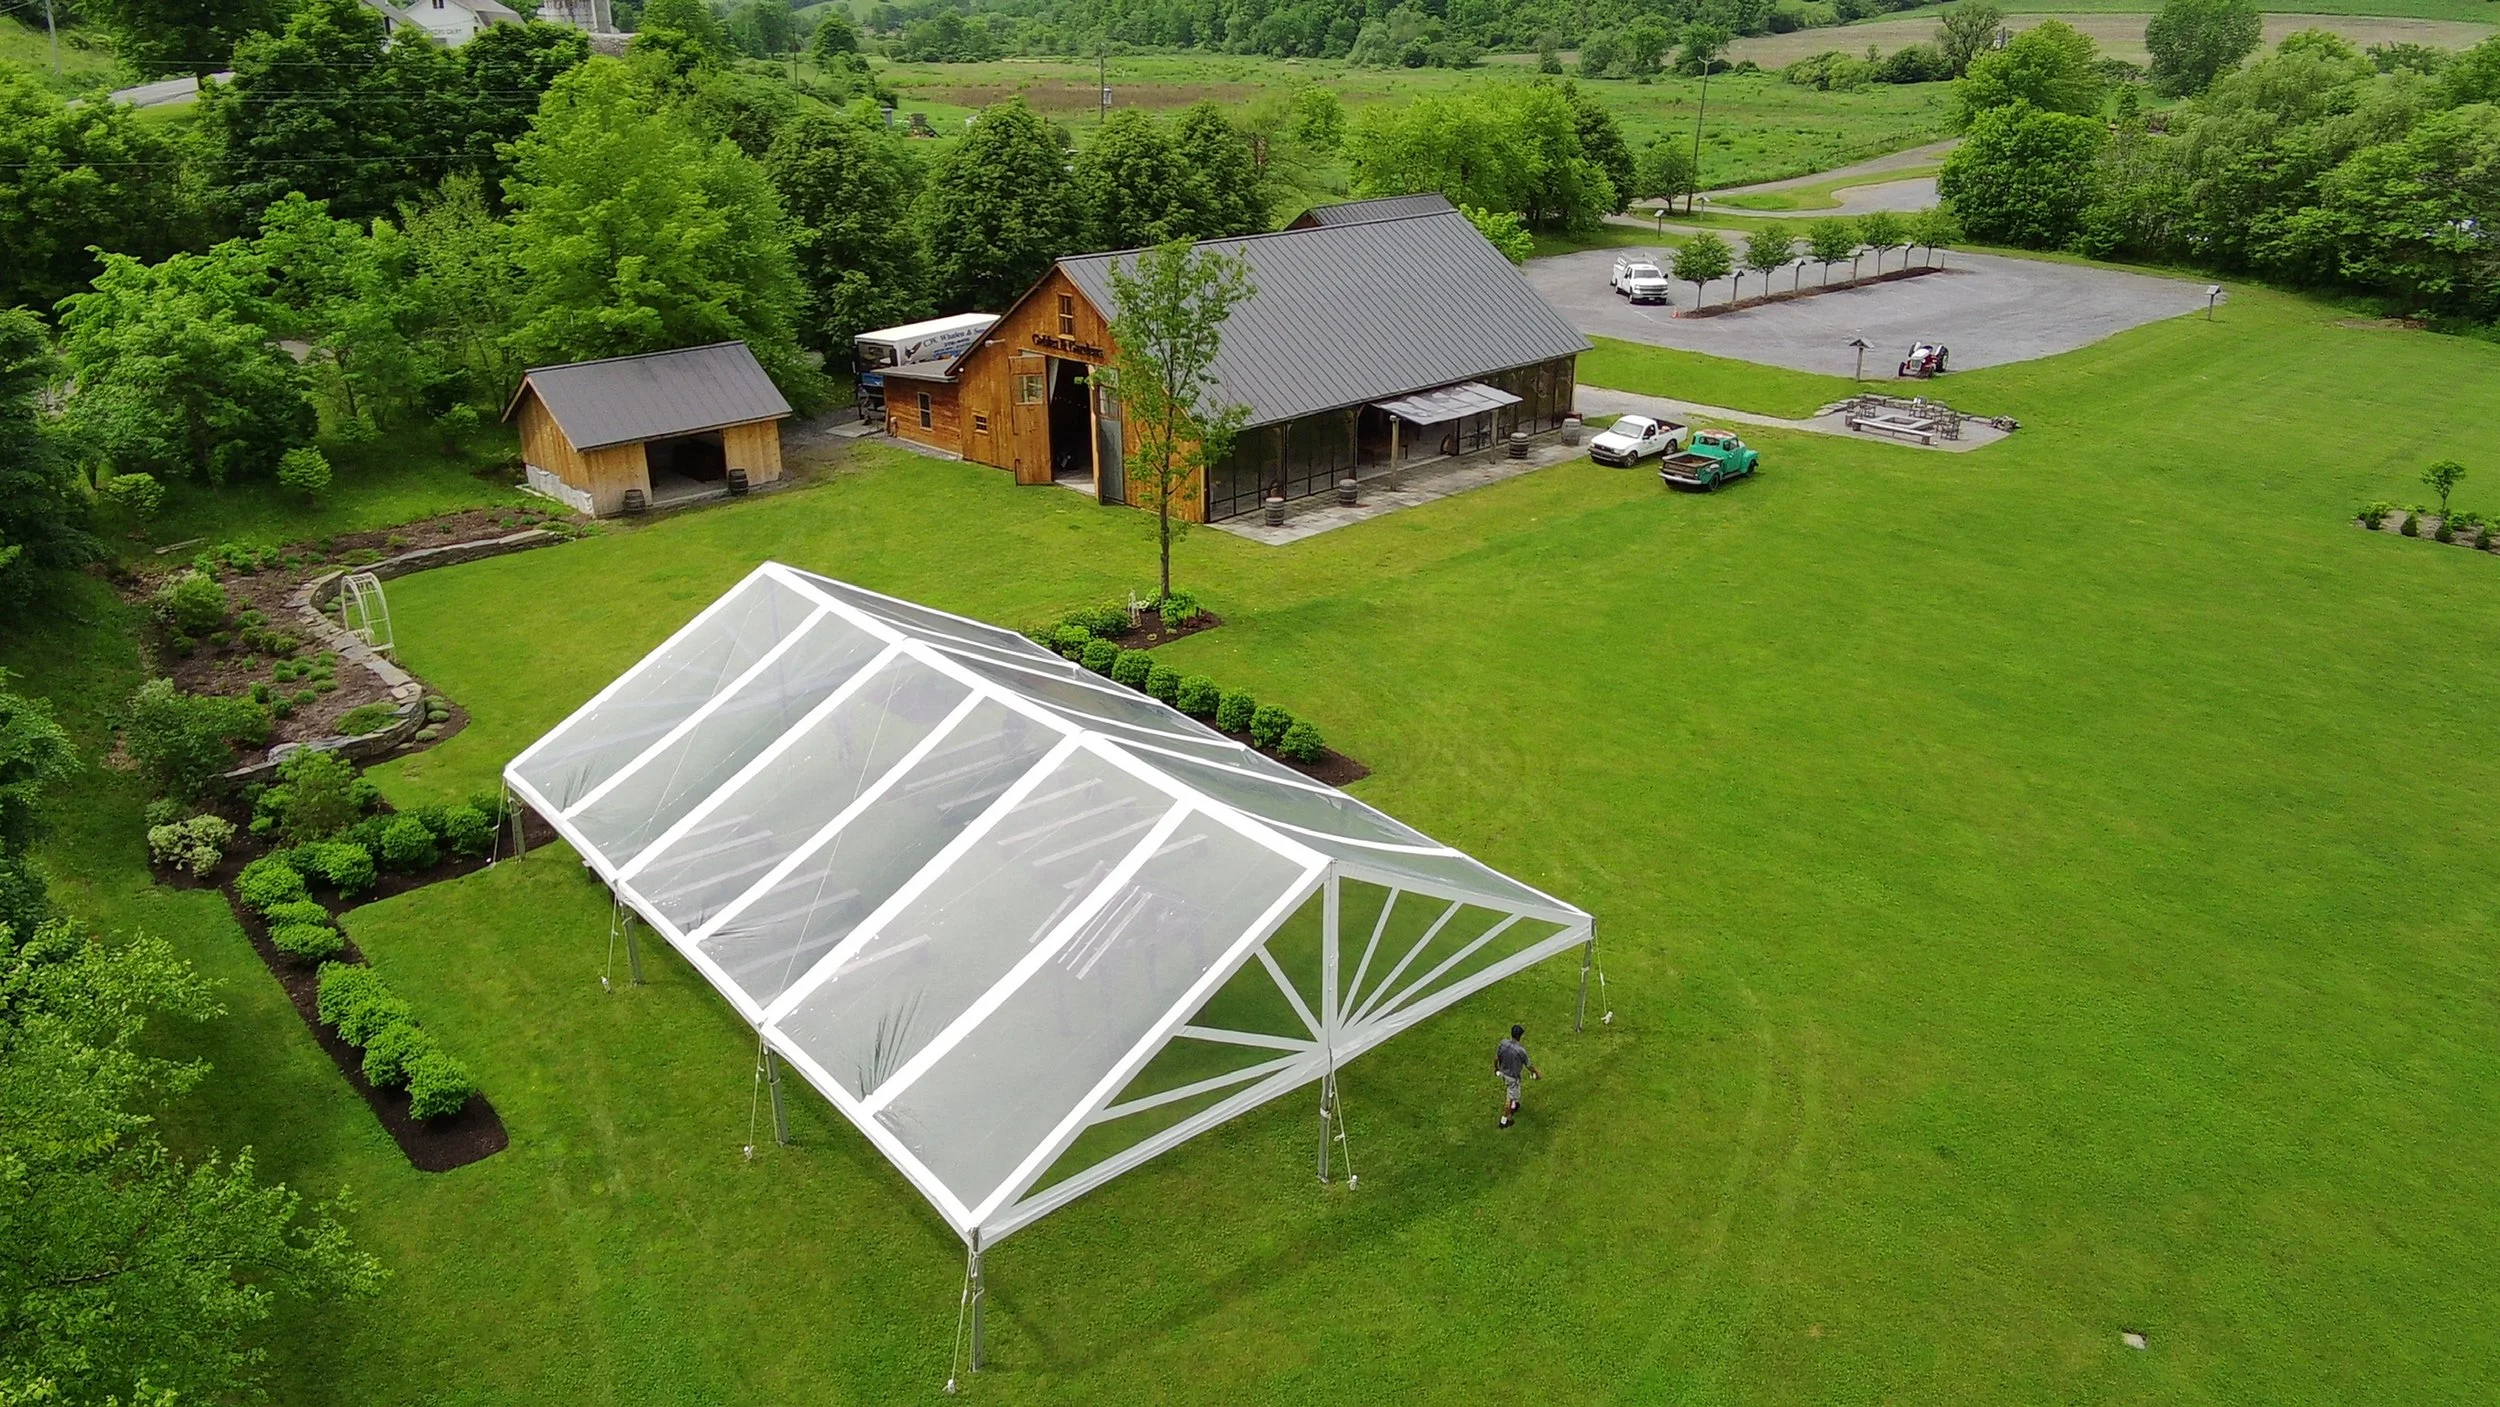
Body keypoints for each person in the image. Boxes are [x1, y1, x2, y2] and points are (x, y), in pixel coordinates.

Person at [1494, 1023, 1540, 1128]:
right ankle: (1504, 1121)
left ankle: (1514, 1106)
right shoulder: (1520, 1051)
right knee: (1509, 1099)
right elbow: (1529, 1065)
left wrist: (1496, 1068)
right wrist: (1536, 1073)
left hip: (1504, 1073)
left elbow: (1496, 1058)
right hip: (1512, 1077)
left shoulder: (1503, 1043)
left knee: (1515, 1092)